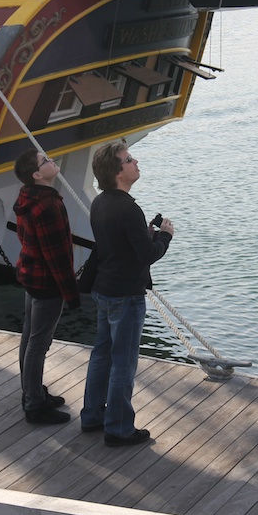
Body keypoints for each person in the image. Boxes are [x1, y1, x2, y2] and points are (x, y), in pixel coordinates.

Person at [80, 141, 174, 447]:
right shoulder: (128, 208)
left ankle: (93, 415)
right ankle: (119, 428)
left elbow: (119, 244)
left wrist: (144, 234)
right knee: (123, 361)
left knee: (102, 354)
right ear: (118, 171)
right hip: (126, 295)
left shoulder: (101, 203)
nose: (135, 162)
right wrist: (165, 237)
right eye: (129, 159)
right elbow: (147, 254)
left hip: (104, 289)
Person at [13, 148, 80, 425]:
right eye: (45, 161)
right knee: (38, 344)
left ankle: (32, 392)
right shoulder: (49, 205)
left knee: (30, 339)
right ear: (38, 174)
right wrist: (71, 293)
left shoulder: (27, 198)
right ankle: (34, 405)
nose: (51, 160)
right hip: (47, 283)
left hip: (31, 276)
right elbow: (59, 255)